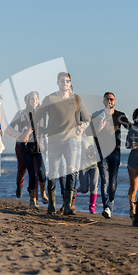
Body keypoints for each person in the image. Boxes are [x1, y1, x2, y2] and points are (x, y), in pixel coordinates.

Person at [34, 72, 90, 215]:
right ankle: (51, 204)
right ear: (58, 82)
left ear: (70, 83)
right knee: (53, 172)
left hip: (71, 142)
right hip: (54, 142)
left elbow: (87, 118)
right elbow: (37, 116)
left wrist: (81, 126)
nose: (65, 83)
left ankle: (68, 205)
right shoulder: (50, 98)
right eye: (62, 81)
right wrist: (43, 129)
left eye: (68, 81)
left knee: (72, 172)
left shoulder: (76, 99)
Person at [91, 92, 132, 219]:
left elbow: (129, 126)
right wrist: (99, 127)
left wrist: (132, 139)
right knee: (104, 181)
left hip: (115, 152)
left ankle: (110, 203)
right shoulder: (97, 115)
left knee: (112, 183)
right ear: (103, 101)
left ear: (115, 101)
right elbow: (89, 132)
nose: (109, 101)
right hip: (101, 152)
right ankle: (107, 208)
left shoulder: (120, 115)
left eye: (111, 99)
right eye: (107, 99)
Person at [7, 91, 48, 208]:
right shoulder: (20, 113)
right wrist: (20, 135)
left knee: (36, 172)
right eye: (31, 99)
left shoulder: (42, 113)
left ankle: (35, 198)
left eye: (36, 99)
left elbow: (44, 127)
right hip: (22, 146)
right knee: (22, 170)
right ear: (26, 101)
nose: (34, 101)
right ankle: (19, 186)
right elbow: (10, 127)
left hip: (38, 146)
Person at [76, 134, 99, 213]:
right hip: (83, 165)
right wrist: (85, 151)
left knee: (94, 185)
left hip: (94, 164)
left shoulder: (95, 136)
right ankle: (77, 190)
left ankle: (92, 207)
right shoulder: (79, 136)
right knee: (84, 189)